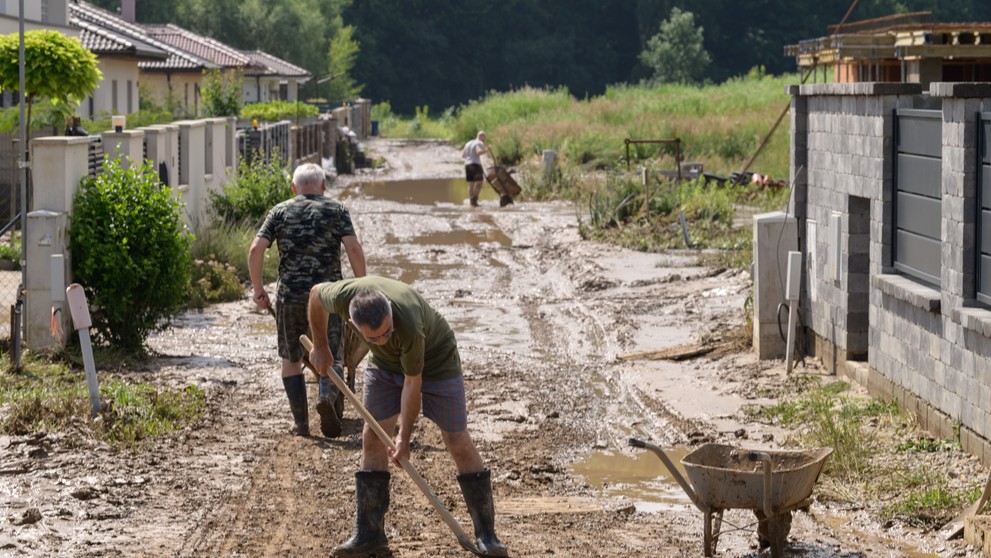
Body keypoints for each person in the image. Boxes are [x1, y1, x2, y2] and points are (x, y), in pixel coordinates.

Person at [307, 276, 507, 557]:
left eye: (387, 333)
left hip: (437, 360)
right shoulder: (342, 297)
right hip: (384, 365)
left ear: (390, 311)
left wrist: (404, 438)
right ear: (353, 324)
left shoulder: (409, 324)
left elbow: (412, 384)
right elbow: (315, 295)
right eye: (372, 338)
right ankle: (370, 535)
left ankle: (487, 535)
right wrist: (321, 346)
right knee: (372, 438)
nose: (381, 339)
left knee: (456, 440)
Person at [249, 162, 366, 438]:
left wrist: (258, 289)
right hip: (328, 296)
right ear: (323, 186)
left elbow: (256, 249)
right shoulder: (336, 210)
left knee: (291, 358)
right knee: (333, 351)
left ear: (294, 188)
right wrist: (362, 287)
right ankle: (325, 396)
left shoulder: (279, 211)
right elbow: (353, 249)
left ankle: (301, 423)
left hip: (290, 294)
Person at [462, 131, 488, 208]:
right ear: (482, 137)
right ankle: (474, 200)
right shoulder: (479, 143)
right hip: (475, 164)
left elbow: (463, 155)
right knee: (480, 182)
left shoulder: (468, 143)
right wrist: (487, 150)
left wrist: (470, 156)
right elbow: (478, 152)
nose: (484, 140)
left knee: (471, 184)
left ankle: (471, 201)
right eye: (484, 138)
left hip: (467, 164)